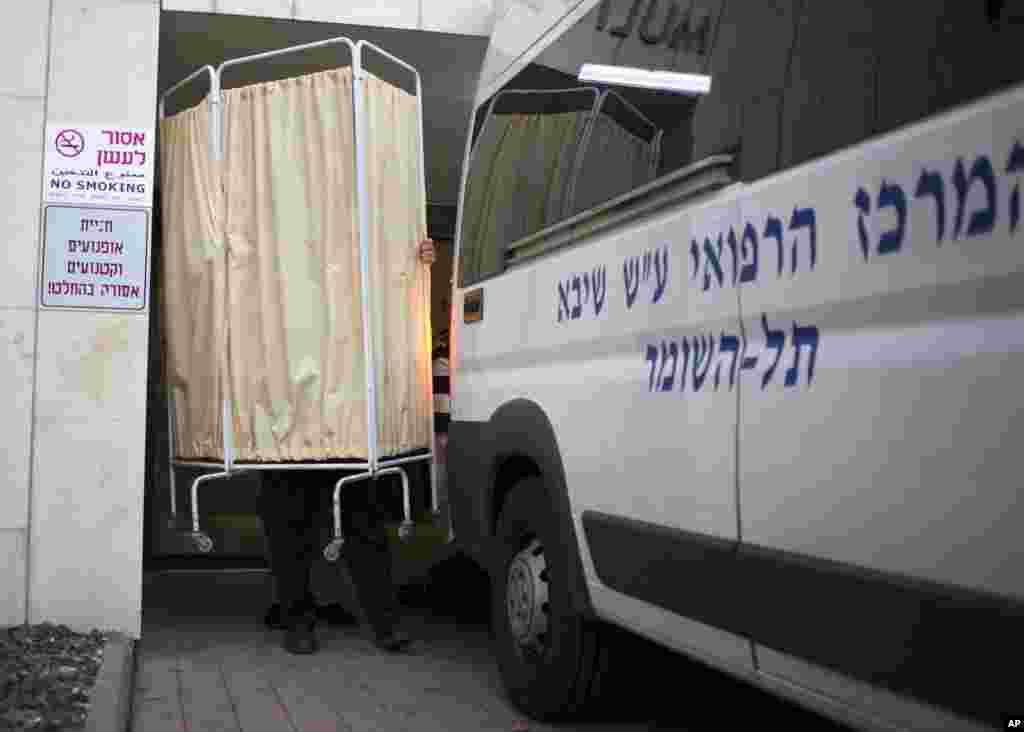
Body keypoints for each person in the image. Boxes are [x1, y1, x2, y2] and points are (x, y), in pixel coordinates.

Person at [260, 238, 436, 655]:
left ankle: (383, 623)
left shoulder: (354, 268)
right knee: (290, 526)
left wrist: (415, 265)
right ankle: (297, 619)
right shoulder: (282, 276)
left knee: (364, 527)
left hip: (347, 421)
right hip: (294, 420)